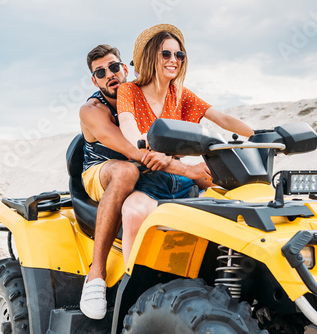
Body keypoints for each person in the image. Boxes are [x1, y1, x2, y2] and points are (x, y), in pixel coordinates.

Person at [79, 44, 212, 320]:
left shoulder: (144, 96)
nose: (109, 75)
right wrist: (189, 170)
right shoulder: (92, 109)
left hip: (144, 170)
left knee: (213, 182)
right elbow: (132, 151)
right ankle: (96, 274)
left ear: (124, 69)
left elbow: (171, 139)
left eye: (114, 67)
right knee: (127, 172)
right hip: (102, 170)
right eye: (101, 72)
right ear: (95, 80)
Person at [117, 24, 254, 268]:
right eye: (166, 54)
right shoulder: (130, 90)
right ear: (149, 56)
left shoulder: (180, 94)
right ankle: (131, 288)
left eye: (179, 55)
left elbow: (221, 118)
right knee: (134, 213)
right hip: (147, 178)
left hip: (180, 179)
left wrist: (259, 135)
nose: (175, 60)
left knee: (238, 205)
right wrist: (143, 140)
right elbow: (127, 124)